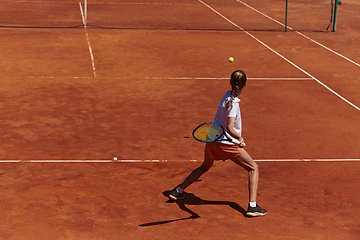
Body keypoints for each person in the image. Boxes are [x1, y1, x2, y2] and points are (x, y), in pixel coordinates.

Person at [169, 70, 267, 217]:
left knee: (204, 167)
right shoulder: (234, 104)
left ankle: (178, 190)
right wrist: (239, 139)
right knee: (253, 168)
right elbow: (229, 127)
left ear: (230, 83)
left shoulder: (226, 95)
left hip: (212, 140)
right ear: (245, 84)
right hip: (226, 144)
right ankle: (252, 206)